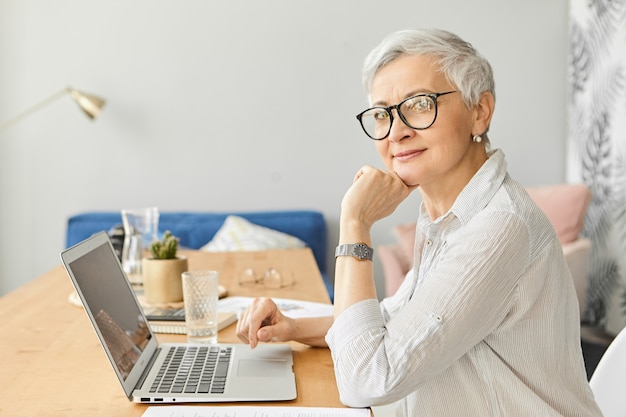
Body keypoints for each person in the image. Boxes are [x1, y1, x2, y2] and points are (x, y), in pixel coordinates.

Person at [236, 28, 602, 416]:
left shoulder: (499, 227)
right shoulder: (444, 214)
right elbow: (399, 318)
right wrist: (293, 327)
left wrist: (355, 223)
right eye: (382, 114)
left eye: (420, 104)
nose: (397, 131)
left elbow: (366, 380)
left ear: (480, 111)